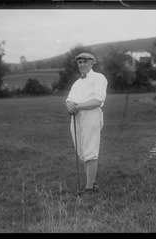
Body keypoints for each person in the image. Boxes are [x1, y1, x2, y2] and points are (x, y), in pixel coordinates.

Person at [65, 52, 108, 196]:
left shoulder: (98, 78)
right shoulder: (77, 82)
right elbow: (69, 99)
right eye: (80, 62)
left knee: (90, 151)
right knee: (82, 152)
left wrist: (77, 106)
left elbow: (97, 101)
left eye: (85, 62)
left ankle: (89, 189)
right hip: (76, 118)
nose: (82, 64)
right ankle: (92, 183)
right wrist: (70, 105)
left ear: (92, 63)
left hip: (91, 116)